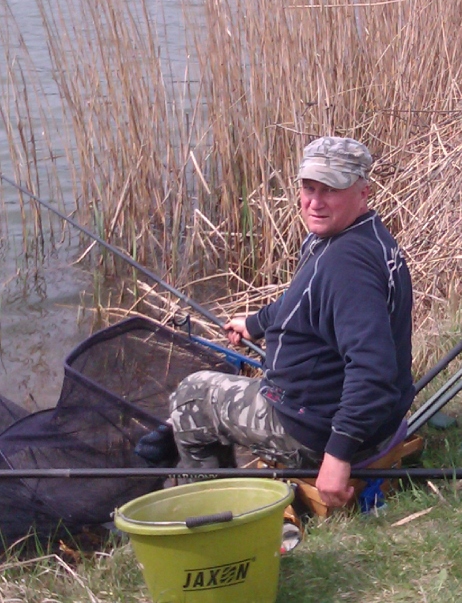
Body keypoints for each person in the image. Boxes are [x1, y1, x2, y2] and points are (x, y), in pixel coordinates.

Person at [163, 136, 414, 507]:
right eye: (309, 188)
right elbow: (303, 298)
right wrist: (256, 324)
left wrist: (338, 454)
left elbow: (372, 370)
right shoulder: (361, 236)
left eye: (330, 190)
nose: (315, 202)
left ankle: (211, 511)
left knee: (191, 398)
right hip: (362, 419)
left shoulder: (346, 267)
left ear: (363, 192)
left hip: (315, 431)